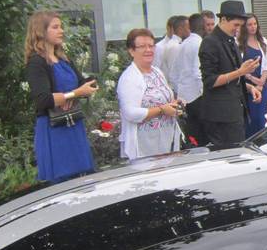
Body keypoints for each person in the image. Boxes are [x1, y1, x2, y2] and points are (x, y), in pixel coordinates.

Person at [24, 11, 98, 183]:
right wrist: (74, 94)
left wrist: (91, 83)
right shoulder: (37, 62)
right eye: (55, 27)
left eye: (61, 27)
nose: (61, 31)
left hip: (73, 124)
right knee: (61, 181)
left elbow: (81, 83)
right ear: (40, 32)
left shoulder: (63, 59)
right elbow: (43, 99)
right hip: (54, 129)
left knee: (82, 179)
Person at [198, 0, 263, 148]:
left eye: (240, 26)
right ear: (223, 19)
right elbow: (210, 81)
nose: (238, 29)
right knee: (227, 157)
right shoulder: (210, 42)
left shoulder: (230, 41)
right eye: (236, 25)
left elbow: (233, 78)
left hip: (235, 111)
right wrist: (241, 72)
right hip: (220, 116)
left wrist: (249, 88)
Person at [116, 28, 183, 160]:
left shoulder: (156, 72)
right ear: (131, 51)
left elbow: (163, 99)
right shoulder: (129, 78)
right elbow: (130, 113)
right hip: (144, 143)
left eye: (151, 46)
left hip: (166, 138)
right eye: (142, 46)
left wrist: (175, 104)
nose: (148, 50)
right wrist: (162, 110)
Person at [172, 13, 207, 146]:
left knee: (191, 134)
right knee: (201, 136)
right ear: (202, 26)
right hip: (197, 96)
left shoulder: (184, 44)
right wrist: (204, 93)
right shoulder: (199, 43)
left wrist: (179, 91)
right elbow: (197, 72)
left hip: (185, 96)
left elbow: (173, 74)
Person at [240, 14, 267, 136]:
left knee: (261, 119)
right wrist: (251, 80)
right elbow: (240, 69)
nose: (253, 27)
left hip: (261, 86)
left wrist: (261, 82)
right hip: (246, 87)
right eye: (249, 24)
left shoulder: (263, 41)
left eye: (255, 24)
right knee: (250, 120)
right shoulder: (239, 43)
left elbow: (266, 65)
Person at [159, 15, 189, 86]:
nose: (190, 31)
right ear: (180, 29)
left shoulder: (176, 44)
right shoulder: (175, 46)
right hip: (174, 88)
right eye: (188, 28)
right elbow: (174, 73)